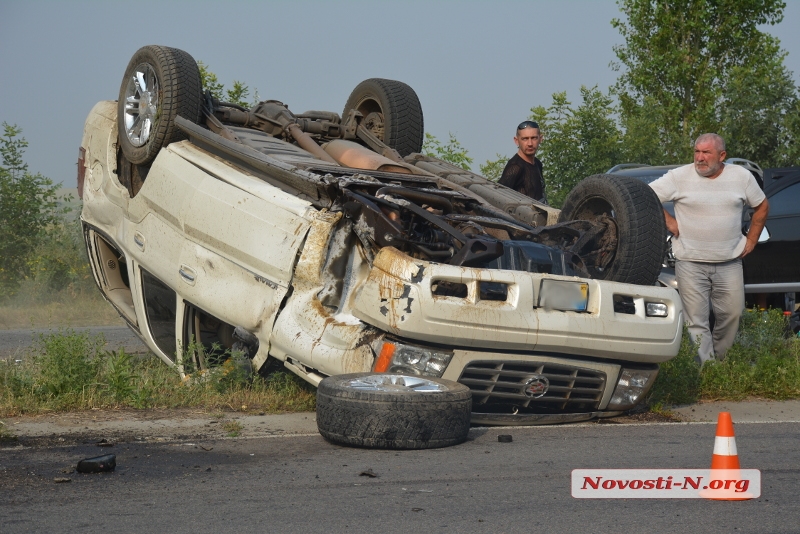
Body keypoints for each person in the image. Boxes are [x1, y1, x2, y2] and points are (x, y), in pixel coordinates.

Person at [649, 133, 769, 364]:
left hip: (730, 261)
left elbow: (762, 206)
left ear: (722, 155)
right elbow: (648, 195)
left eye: (706, 153)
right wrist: (670, 223)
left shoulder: (741, 177)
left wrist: (752, 239)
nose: (700, 158)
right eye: (697, 152)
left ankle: (721, 363)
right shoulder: (678, 177)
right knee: (696, 321)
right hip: (690, 261)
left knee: (733, 315)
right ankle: (706, 370)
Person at [499, 121, 546, 203]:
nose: (530, 143)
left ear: (540, 139)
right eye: (525, 139)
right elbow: (498, 196)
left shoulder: (538, 163)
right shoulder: (515, 166)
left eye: (534, 138)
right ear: (516, 140)